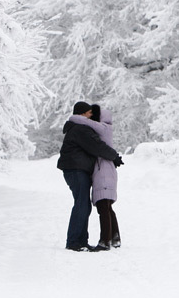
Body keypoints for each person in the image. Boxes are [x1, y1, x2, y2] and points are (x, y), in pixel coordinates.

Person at [56, 101, 123, 252]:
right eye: (89, 112)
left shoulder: (79, 128)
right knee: (82, 204)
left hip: (76, 169)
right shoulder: (80, 129)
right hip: (76, 169)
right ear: (83, 114)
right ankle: (74, 241)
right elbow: (96, 146)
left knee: (83, 204)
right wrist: (114, 156)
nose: (91, 115)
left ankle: (80, 240)